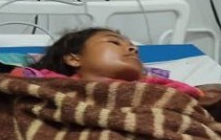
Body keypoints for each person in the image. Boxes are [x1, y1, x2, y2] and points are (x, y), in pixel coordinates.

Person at [11, 27, 203, 97]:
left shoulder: (152, 85)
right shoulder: (53, 82)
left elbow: (191, 96)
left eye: (133, 47)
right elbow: (15, 83)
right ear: (74, 58)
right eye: (114, 42)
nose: (133, 49)